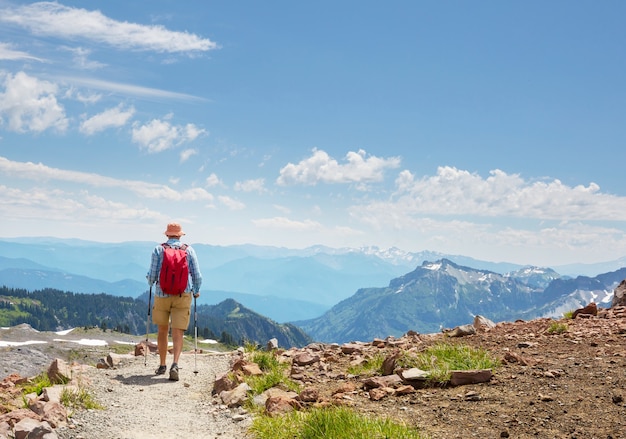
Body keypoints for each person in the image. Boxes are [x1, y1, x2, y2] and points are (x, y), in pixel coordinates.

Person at [147, 222, 202, 381]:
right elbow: (197, 275)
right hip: (182, 295)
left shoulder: (158, 249)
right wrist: (196, 290)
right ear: (180, 235)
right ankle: (175, 364)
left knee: (162, 330)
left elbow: (152, 275)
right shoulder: (189, 250)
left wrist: (151, 283)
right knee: (178, 331)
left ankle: (162, 364)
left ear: (167, 234)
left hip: (161, 295)